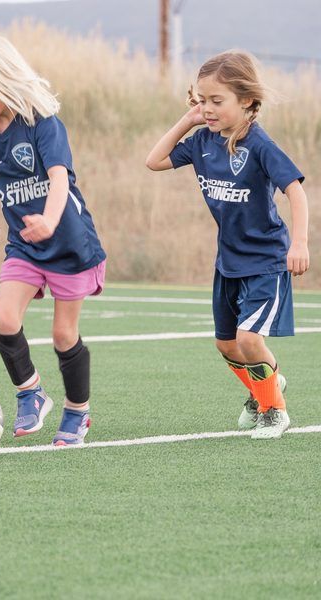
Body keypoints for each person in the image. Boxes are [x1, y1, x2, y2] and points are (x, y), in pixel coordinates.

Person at [0, 36, 106, 444]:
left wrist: (50, 220)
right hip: (25, 246)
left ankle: (77, 412)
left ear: (2, 78)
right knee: (3, 320)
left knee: (64, 336)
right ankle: (30, 391)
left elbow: (59, 179)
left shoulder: (42, 123)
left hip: (70, 244)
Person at [145, 50, 310, 440]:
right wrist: (187, 120)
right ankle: (265, 386)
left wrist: (300, 242)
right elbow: (155, 160)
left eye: (217, 101)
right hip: (228, 263)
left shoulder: (260, 145)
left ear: (247, 101)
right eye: (201, 100)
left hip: (266, 261)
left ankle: (273, 410)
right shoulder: (202, 141)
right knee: (227, 345)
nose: (208, 108)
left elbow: (296, 192)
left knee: (249, 340)